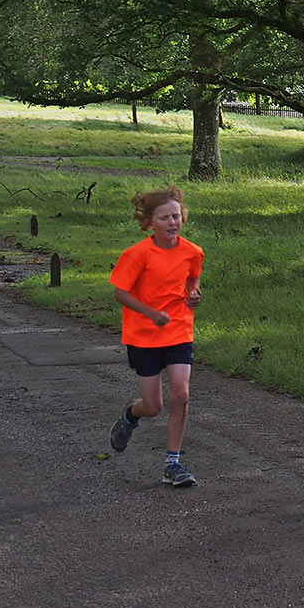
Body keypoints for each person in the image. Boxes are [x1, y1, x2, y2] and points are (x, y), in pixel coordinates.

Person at [107, 185, 204, 487]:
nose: (172, 222)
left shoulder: (192, 252)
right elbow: (120, 292)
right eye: (164, 218)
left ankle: (172, 464)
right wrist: (150, 313)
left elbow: (192, 279)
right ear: (149, 223)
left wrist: (194, 295)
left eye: (176, 216)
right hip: (143, 336)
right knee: (154, 406)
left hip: (177, 329)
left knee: (181, 394)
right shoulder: (137, 255)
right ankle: (131, 415)